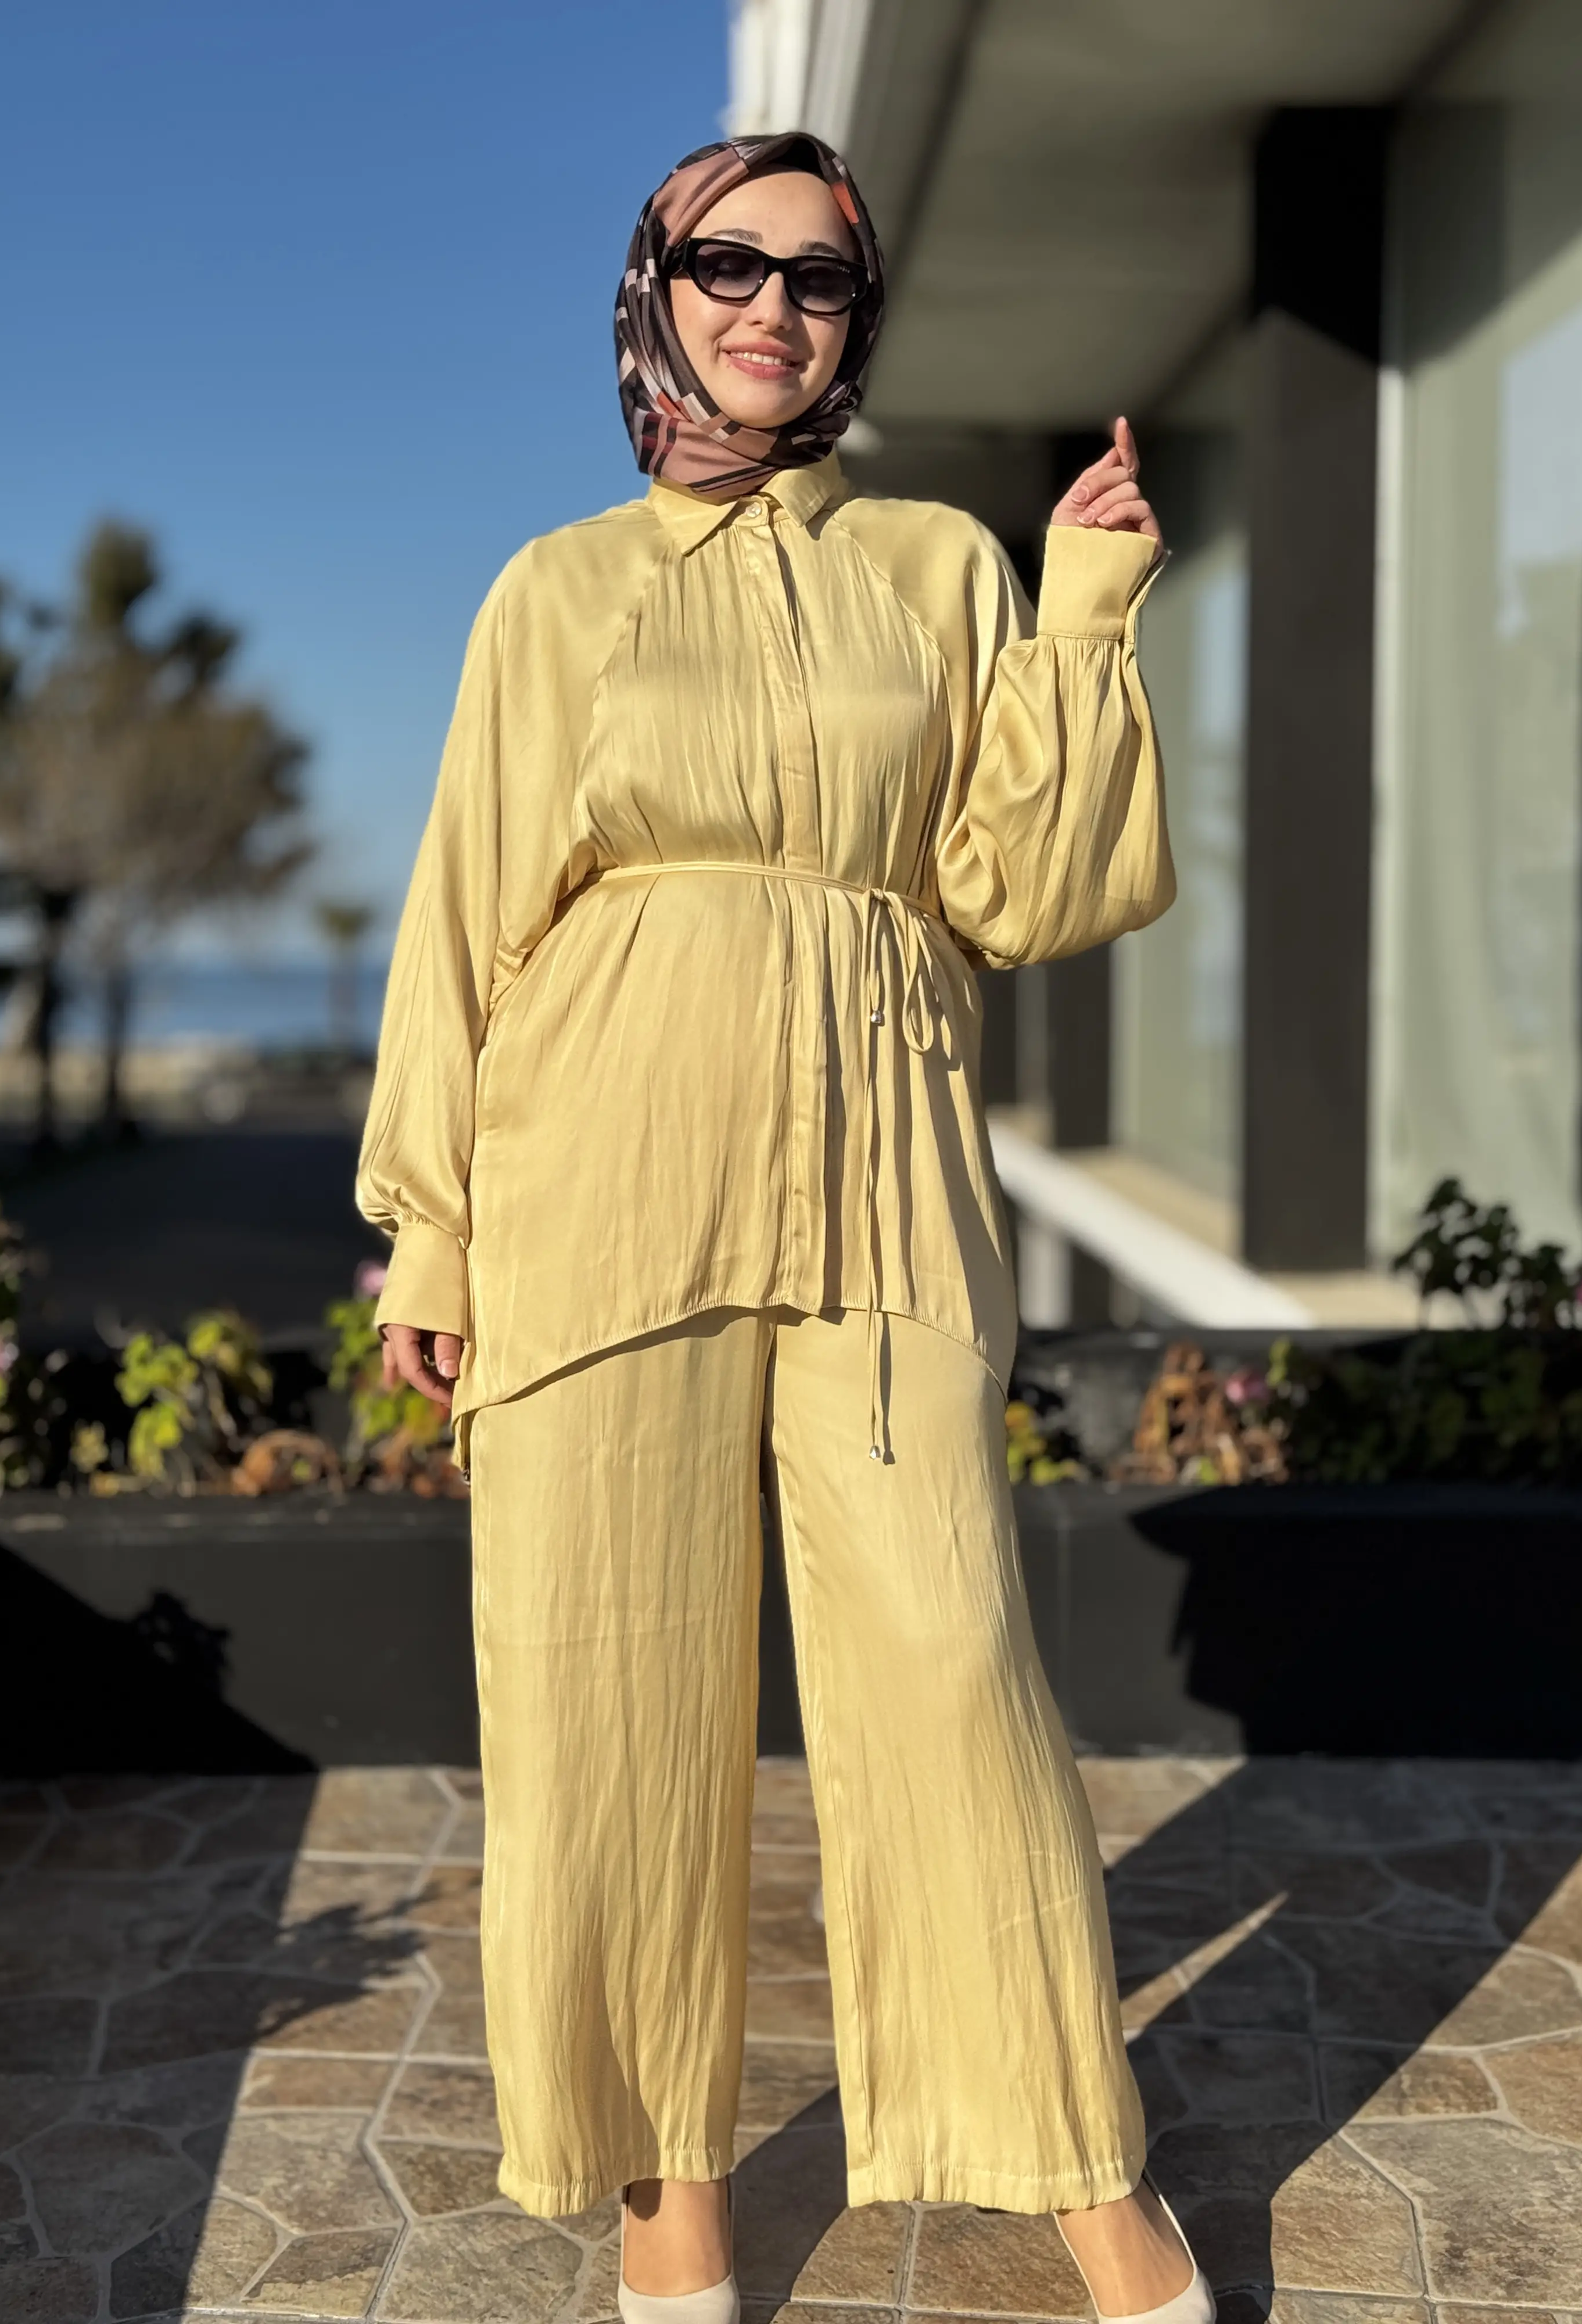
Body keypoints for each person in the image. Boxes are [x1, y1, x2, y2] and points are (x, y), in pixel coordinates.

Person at [359, 129, 1210, 2324]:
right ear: (653, 290)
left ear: (859, 320)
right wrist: (432, 1229)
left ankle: (1075, 2162)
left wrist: (1086, 606)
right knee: (605, 1693)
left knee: (950, 1659)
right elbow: (466, 917)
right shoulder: (556, 590)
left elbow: (1027, 888)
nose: (771, 308)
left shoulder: (936, 565)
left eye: (819, 278)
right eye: (726, 264)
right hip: (595, 1180)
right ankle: (671, 2195)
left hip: (878, 1176)